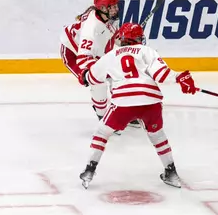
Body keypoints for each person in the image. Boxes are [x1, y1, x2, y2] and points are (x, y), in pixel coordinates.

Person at [77, 23, 198, 189]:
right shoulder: (147, 51)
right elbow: (162, 75)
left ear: (121, 38)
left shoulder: (111, 55)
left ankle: (90, 170)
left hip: (123, 102)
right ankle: (171, 172)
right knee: (157, 135)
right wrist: (180, 77)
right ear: (139, 38)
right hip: (151, 100)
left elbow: (90, 78)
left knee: (102, 132)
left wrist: (84, 75)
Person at [60, 0, 131, 124]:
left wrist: (125, 41)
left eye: (116, 5)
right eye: (113, 6)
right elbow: (83, 58)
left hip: (97, 51)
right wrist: (88, 74)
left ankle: (122, 108)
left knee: (120, 74)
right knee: (98, 81)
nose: (116, 9)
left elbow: (112, 35)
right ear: (103, 8)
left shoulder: (107, 16)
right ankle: (103, 117)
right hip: (73, 53)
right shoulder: (91, 28)